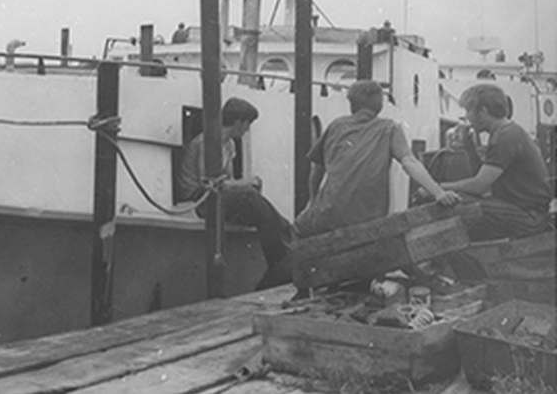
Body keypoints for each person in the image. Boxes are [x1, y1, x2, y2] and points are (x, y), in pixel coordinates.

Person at [295, 80, 461, 237]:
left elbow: (316, 172)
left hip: (328, 214)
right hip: (369, 218)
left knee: (296, 230)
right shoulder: (389, 128)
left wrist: (312, 203)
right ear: (380, 105)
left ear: (351, 104)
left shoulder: (336, 126)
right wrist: (439, 193)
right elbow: (409, 162)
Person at [177, 97, 293, 289]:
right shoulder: (206, 142)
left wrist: (243, 185)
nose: (247, 130)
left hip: (218, 198)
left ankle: (278, 261)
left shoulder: (229, 145)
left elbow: (227, 181)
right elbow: (210, 184)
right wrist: (245, 184)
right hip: (199, 200)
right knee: (250, 195)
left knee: (255, 203)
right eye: (248, 124)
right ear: (239, 122)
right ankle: (282, 249)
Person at [435, 84, 554, 240]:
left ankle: (458, 260)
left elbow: (479, 186)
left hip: (529, 216)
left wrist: (438, 187)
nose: (467, 117)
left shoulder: (506, 137)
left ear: (483, 111)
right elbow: (482, 180)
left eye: (468, 111)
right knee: (458, 199)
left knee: (458, 208)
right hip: (522, 209)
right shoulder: (505, 131)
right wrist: (469, 146)